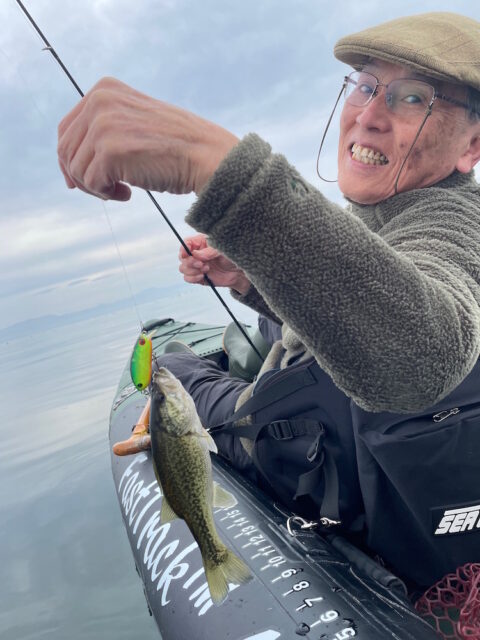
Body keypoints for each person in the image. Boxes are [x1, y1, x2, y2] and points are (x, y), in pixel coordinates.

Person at [57, 12, 480, 594]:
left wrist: (219, 167)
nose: (368, 115)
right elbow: (357, 307)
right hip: (353, 431)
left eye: (412, 98)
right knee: (238, 339)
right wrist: (250, 280)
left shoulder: (456, 221)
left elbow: (422, 358)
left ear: (471, 145)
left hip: (316, 440)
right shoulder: (392, 213)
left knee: (175, 364)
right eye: (364, 85)